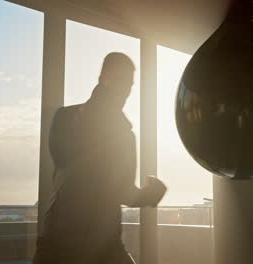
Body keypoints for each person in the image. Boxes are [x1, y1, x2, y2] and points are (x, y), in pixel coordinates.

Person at [33, 52, 167, 264]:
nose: (126, 91)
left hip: (57, 238)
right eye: (123, 82)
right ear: (103, 78)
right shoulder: (123, 134)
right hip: (100, 244)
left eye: (129, 85)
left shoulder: (64, 117)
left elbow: (63, 168)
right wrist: (153, 193)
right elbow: (125, 193)